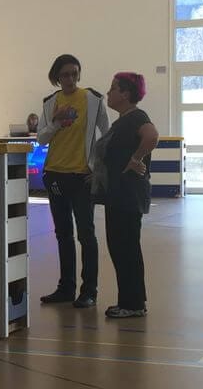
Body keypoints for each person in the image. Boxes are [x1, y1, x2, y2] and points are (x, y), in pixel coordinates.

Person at [38, 54, 109, 308]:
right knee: (63, 234)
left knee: (86, 234)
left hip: (82, 177)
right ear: (57, 77)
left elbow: (106, 136)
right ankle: (66, 288)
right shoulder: (50, 103)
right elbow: (42, 139)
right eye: (65, 74)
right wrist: (57, 122)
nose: (70, 79)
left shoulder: (93, 100)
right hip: (55, 175)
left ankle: (89, 291)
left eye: (74, 73)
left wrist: (98, 170)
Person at [93, 72, 158, 318]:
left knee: (126, 248)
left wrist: (136, 158)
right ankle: (131, 301)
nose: (109, 92)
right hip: (117, 193)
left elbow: (151, 136)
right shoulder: (123, 121)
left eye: (113, 88)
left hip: (128, 194)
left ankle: (132, 304)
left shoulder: (137, 117)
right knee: (121, 248)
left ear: (126, 93)